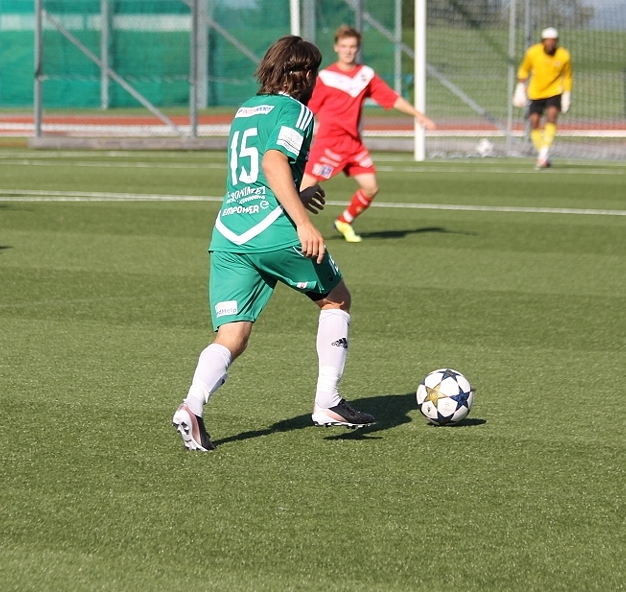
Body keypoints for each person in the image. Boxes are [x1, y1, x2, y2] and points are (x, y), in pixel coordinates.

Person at [172, 35, 375, 453]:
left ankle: (192, 406)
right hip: (272, 229)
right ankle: (327, 401)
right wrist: (303, 222)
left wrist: (297, 195)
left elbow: (254, 174)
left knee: (232, 334)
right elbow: (272, 161)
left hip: (229, 232)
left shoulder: (246, 109)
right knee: (336, 300)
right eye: (313, 71)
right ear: (302, 74)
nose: (316, 80)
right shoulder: (297, 111)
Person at [300, 25, 436, 243]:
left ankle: (344, 221)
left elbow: (391, 98)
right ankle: (286, 230)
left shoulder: (365, 75)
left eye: (352, 46)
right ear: (336, 47)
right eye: (344, 46)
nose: (348, 50)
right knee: (302, 189)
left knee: (371, 188)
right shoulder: (325, 78)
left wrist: (418, 115)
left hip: (354, 145)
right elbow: (307, 109)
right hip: (328, 144)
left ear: (358, 48)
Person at [513, 27, 573, 169]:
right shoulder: (533, 52)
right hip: (536, 92)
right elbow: (524, 69)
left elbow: (567, 76)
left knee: (552, 115)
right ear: (543, 41)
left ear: (556, 41)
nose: (550, 43)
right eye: (547, 40)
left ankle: (543, 153)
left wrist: (566, 95)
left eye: (553, 40)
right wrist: (520, 87)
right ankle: (543, 155)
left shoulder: (563, 55)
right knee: (534, 122)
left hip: (554, 91)